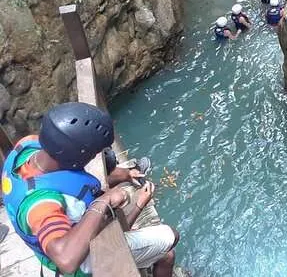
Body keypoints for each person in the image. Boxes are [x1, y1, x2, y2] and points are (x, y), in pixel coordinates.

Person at [1, 102, 179, 277]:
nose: (94, 156)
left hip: (70, 233)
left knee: (164, 254)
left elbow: (71, 183)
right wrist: (105, 201)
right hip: (80, 262)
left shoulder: (30, 146)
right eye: (92, 154)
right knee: (170, 236)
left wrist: (124, 175)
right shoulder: (41, 204)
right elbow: (66, 260)